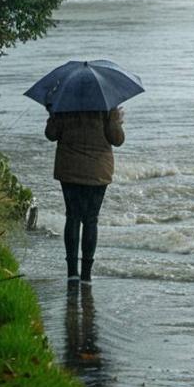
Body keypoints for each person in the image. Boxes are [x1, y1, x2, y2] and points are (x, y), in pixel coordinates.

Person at [45, 107, 125, 282]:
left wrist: (52, 114)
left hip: (69, 168)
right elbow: (117, 139)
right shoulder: (107, 106)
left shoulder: (65, 103)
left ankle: (72, 273)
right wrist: (116, 120)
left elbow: (51, 134)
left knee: (72, 217)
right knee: (91, 219)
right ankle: (87, 274)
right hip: (98, 170)